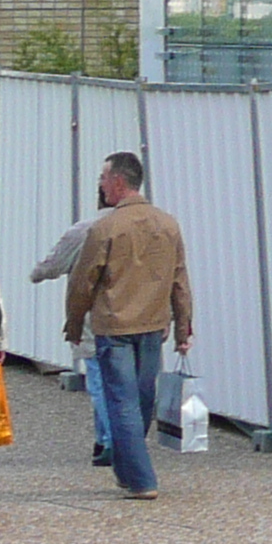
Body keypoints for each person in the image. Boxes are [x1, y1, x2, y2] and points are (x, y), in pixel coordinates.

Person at [62, 151, 192, 502]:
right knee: (142, 397)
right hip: (152, 325)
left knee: (122, 401)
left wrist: (74, 323)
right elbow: (179, 279)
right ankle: (128, 465)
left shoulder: (105, 228)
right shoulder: (168, 224)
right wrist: (183, 328)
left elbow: (83, 281)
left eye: (104, 178)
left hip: (114, 325)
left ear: (118, 182)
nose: (101, 185)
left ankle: (141, 477)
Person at [30, 186, 118, 466]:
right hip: (138, 318)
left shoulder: (85, 230)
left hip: (95, 317)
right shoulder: (150, 225)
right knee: (124, 382)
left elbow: (52, 266)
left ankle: (111, 442)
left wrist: (37, 274)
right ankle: (105, 438)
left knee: (100, 381)